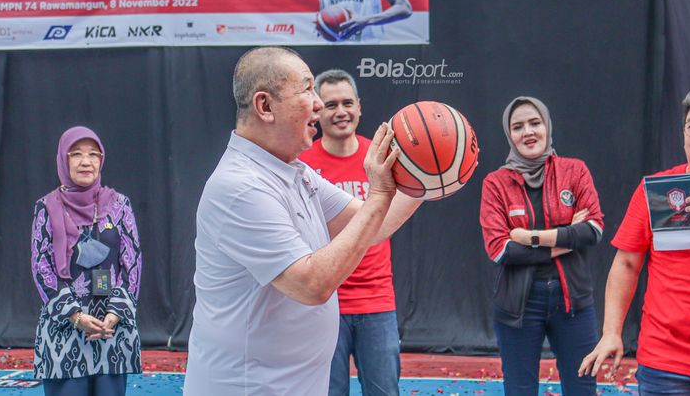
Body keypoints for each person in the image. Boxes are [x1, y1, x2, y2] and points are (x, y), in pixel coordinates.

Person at [183, 47, 422, 395]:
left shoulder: (294, 171)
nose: (319, 104)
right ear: (265, 106)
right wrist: (381, 194)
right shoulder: (240, 187)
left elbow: (373, 226)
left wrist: (428, 182)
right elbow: (311, 284)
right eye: (307, 89)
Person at [479, 96, 604, 395]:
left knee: (582, 389)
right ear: (509, 135)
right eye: (518, 126)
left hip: (573, 301)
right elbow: (501, 250)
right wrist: (565, 238)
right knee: (519, 390)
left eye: (535, 123)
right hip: (518, 306)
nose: (528, 132)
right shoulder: (495, 183)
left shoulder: (574, 171)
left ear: (547, 126)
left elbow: (594, 229)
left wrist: (528, 237)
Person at [579, 89, 690, 393]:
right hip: (666, 362)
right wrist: (611, 332)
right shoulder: (658, 192)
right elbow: (627, 263)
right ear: (683, 134)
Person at [301, 69, 400, 396]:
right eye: (330, 105)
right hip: (325, 300)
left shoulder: (382, 158)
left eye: (347, 103)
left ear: (359, 107)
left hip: (377, 299)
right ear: (318, 110)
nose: (340, 111)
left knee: (385, 391)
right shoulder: (302, 164)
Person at [30, 126, 142, 396]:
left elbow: (133, 263)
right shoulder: (46, 207)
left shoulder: (119, 205)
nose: (86, 161)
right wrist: (76, 316)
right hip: (64, 332)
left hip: (111, 332)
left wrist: (114, 315)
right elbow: (41, 267)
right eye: (76, 154)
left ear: (101, 160)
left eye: (93, 154)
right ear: (63, 160)